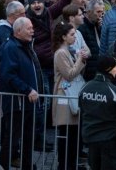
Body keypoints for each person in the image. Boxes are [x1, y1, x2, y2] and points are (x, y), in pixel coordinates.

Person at [0, 17, 44, 170]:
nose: (32, 31)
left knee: (28, 139)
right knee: (12, 139)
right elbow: (8, 74)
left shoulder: (27, 46)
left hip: (29, 102)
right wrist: (27, 89)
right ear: (18, 31)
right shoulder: (10, 47)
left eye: (32, 28)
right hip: (16, 103)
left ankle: (27, 166)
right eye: (29, 28)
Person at [79, 55, 116, 170]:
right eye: (115, 67)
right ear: (109, 69)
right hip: (110, 140)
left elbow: (82, 109)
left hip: (91, 139)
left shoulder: (85, 87)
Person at [51, 22, 85, 170]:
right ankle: (64, 164)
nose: (75, 37)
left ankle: (70, 164)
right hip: (64, 95)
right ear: (64, 37)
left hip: (69, 95)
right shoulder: (61, 53)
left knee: (72, 134)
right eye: (72, 35)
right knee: (66, 134)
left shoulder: (67, 51)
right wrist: (80, 60)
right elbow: (69, 74)